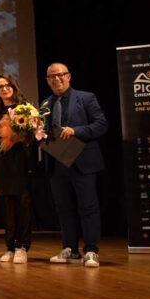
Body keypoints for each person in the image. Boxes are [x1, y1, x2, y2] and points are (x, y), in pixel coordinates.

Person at [43, 63, 107, 268]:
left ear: (68, 76)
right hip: (57, 163)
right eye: (52, 76)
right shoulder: (45, 103)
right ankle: (70, 249)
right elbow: (43, 133)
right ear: (47, 80)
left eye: (60, 75)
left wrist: (76, 130)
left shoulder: (86, 98)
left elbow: (101, 124)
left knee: (88, 207)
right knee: (64, 209)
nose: (56, 79)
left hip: (82, 162)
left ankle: (91, 251)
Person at [0, 74, 34, 264]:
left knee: (23, 205)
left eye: (7, 85)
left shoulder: (26, 109)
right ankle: (10, 246)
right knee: (7, 207)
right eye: (0, 87)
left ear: (14, 87)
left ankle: (22, 246)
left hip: (22, 163)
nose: (4, 89)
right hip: (3, 164)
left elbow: (34, 137)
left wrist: (19, 138)